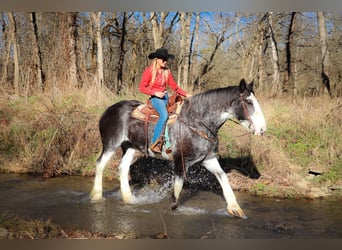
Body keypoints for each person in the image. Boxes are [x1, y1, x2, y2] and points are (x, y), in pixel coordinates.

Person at [139, 48, 191, 154]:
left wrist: (185, 94)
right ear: (157, 59)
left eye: (166, 60)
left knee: (179, 113)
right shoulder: (149, 71)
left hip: (165, 97)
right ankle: (155, 143)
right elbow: (142, 87)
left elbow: (174, 87)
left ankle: (173, 142)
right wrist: (154, 93)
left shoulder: (167, 72)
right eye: (163, 59)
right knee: (164, 115)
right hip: (155, 99)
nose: (165, 61)